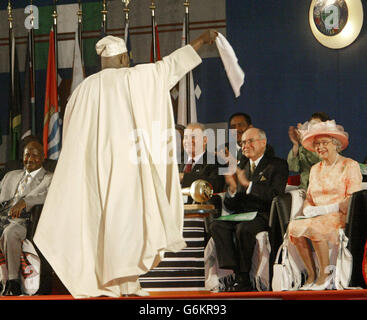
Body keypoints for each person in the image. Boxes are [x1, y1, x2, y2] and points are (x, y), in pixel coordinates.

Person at [33, 30, 219, 298]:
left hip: (91, 171)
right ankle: (124, 283)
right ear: (122, 58)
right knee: (127, 223)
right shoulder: (133, 77)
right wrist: (201, 40)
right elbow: (170, 66)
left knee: (99, 223)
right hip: (125, 169)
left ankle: (113, 283)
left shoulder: (82, 89)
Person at [210, 128, 289, 291]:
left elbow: (275, 195)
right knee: (217, 225)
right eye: (243, 142)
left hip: (264, 214)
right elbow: (232, 205)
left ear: (263, 143)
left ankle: (243, 277)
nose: (245, 145)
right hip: (242, 215)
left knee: (243, 229)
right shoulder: (241, 165)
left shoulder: (277, 164)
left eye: (250, 141)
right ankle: (234, 271)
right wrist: (232, 189)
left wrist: (248, 185)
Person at [288, 120, 362, 290]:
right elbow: (310, 197)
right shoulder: (315, 168)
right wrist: (307, 208)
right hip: (317, 214)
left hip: (340, 214)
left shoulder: (349, 165)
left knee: (316, 227)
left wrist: (328, 209)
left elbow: (354, 198)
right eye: (317, 144)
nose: (320, 147)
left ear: (336, 145)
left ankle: (325, 276)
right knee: (294, 227)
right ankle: (311, 274)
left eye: (324, 143)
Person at [0, 139, 53, 295]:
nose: (30, 159)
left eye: (35, 155)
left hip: (25, 221)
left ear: (43, 157)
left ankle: (13, 281)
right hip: (3, 216)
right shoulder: (11, 175)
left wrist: (25, 201)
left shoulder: (49, 178)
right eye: (27, 155)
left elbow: (50, 195)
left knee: (10, 232)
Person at [179, 123, 226, 243]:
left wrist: (184, 177)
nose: (189, 141)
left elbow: (214, 184)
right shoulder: (176, 162)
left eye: (194, 137)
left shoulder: (215, 161)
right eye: (186, 137)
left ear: (205, 140)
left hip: (200, 218)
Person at [287, 112, 330, 190]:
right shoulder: (302, 149)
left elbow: (320, 164)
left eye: (317, 126)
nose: (313, 129)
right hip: (305, 189)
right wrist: (296, 145)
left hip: (324, 189)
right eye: (311, 125)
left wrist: (304, 142)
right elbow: (292, 167)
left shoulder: (331, 146)